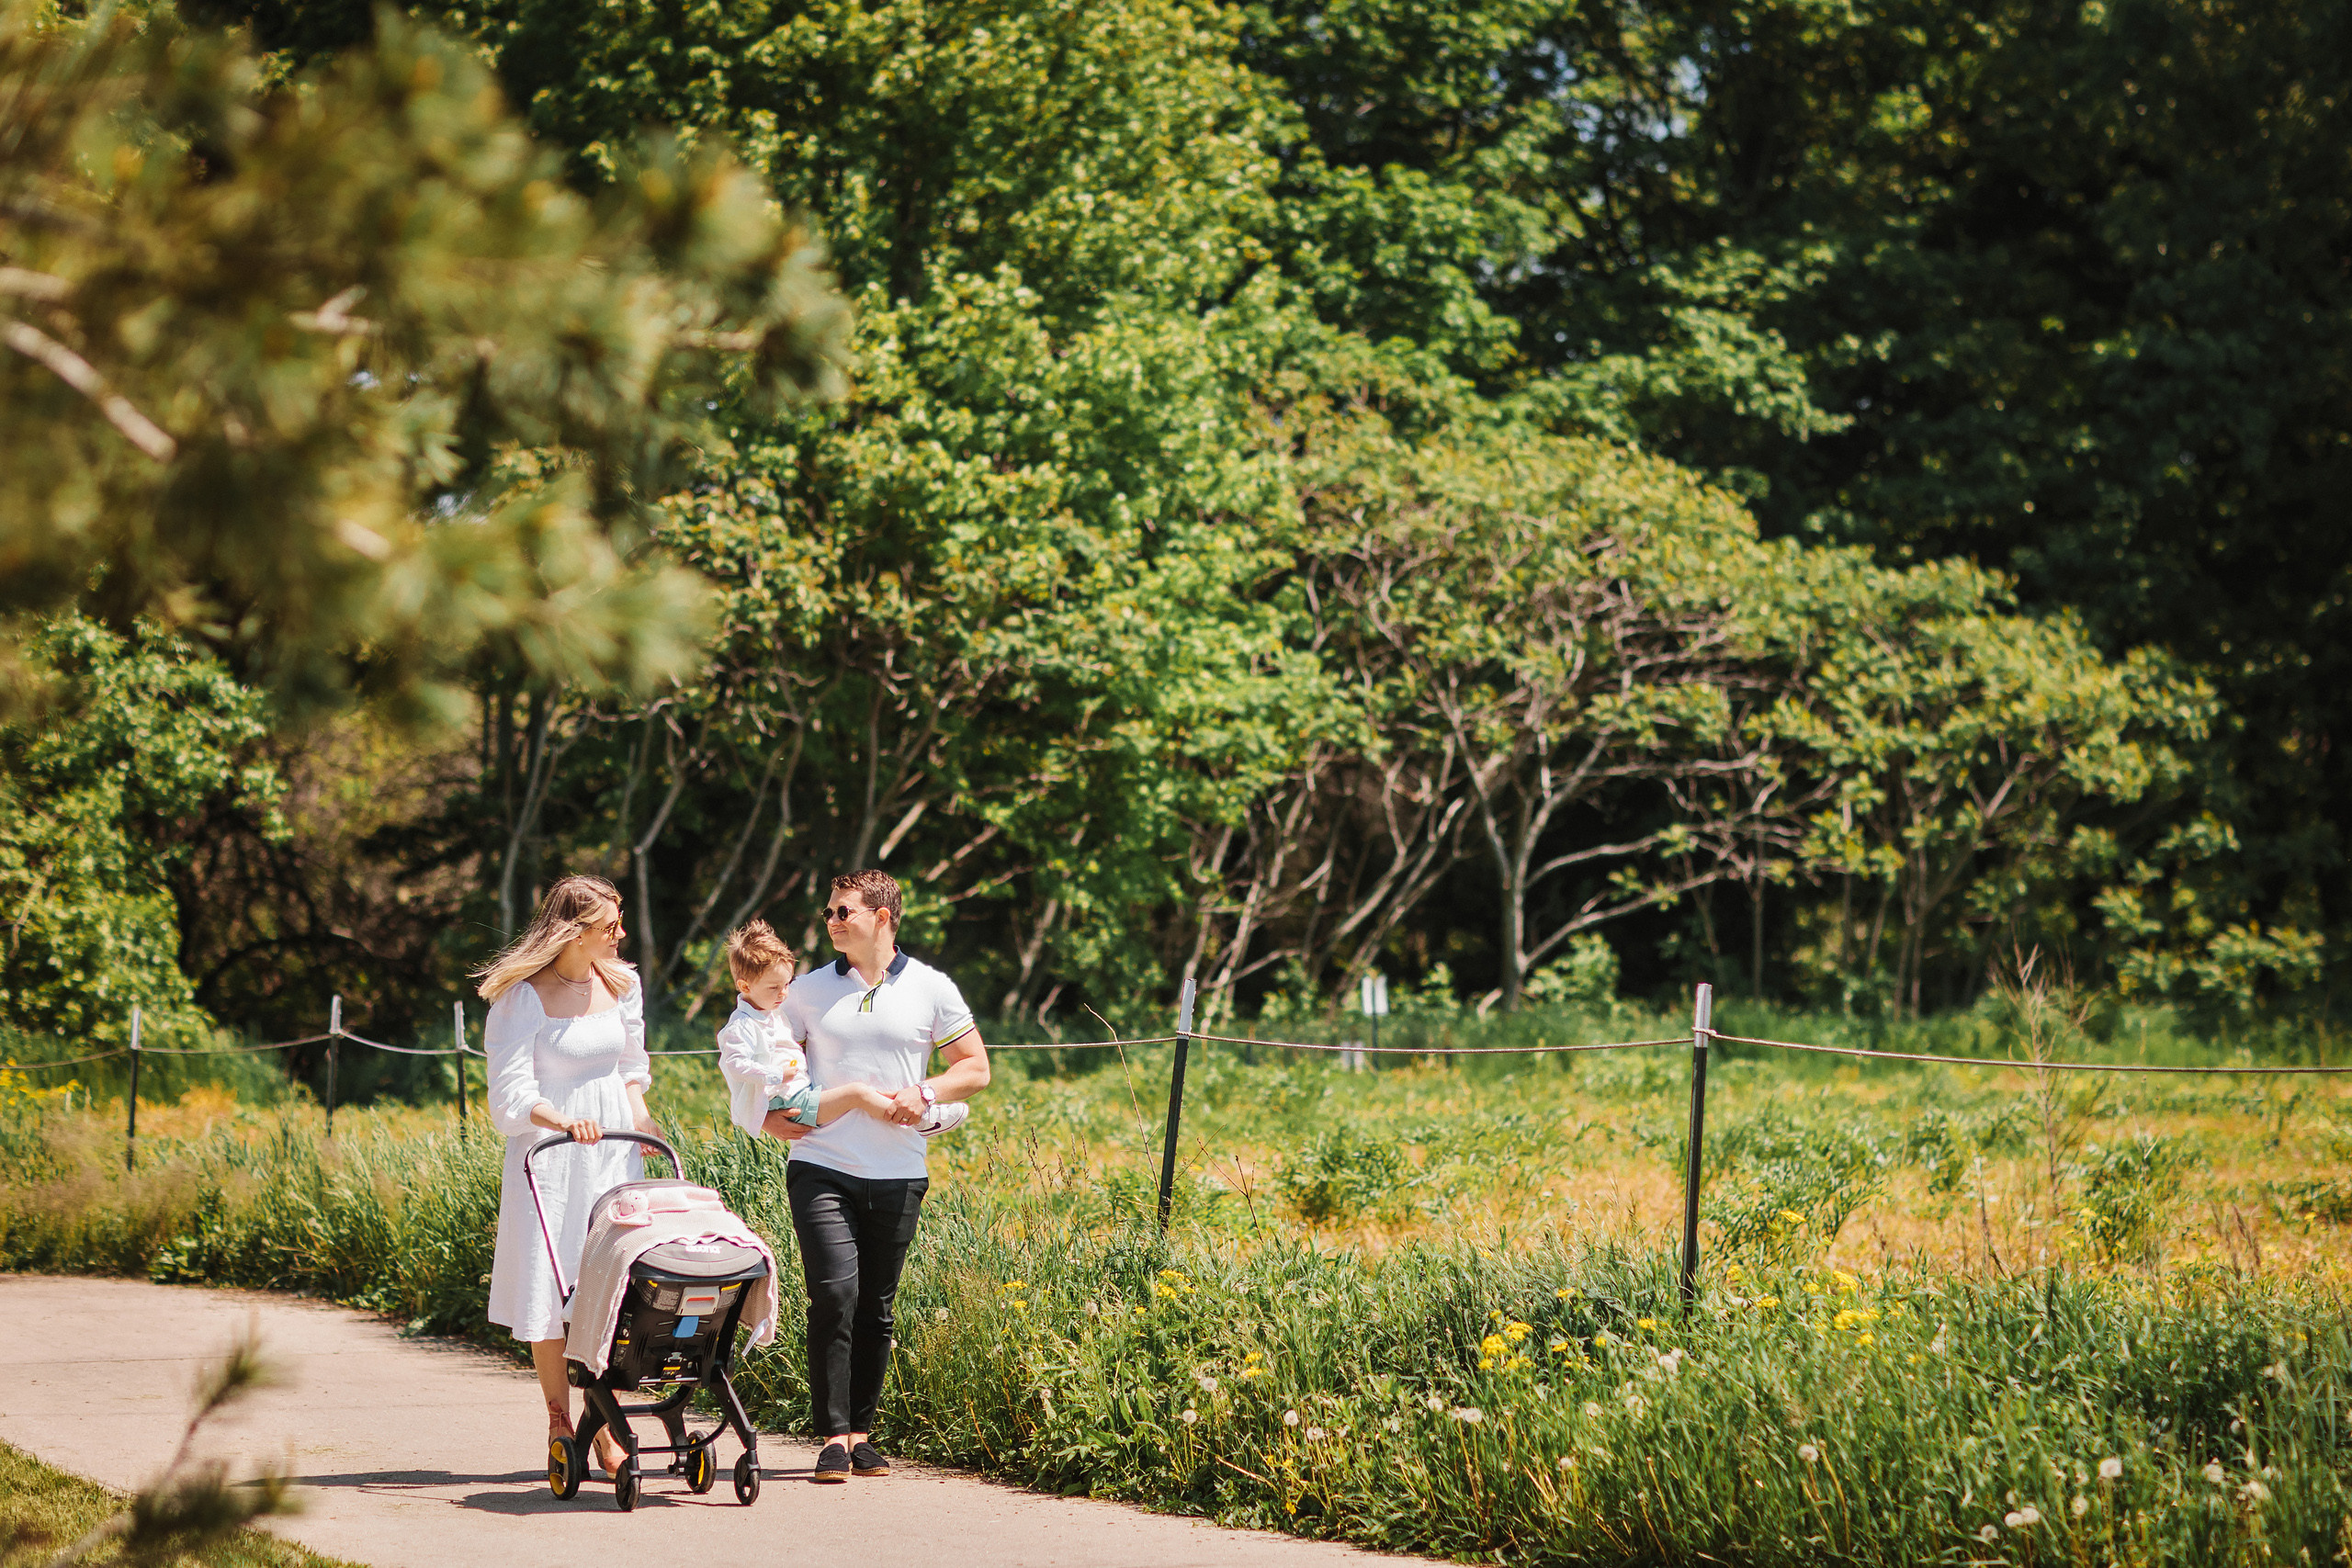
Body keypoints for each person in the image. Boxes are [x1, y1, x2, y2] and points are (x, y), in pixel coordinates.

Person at [766, 869, 988, 1483]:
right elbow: (771, 1068)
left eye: (844, 911)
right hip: (822, 1164)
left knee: (877, 1306)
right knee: (834, 1294)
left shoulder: (931, 987)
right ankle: (833, 1436)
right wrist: (766, 1114)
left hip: (898, 1169)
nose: (832, 920)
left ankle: (863, 1433)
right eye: (831, 911)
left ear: (883, 916)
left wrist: (925, 1090)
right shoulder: (806, 992)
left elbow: (975, 1067)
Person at [476, 874, 658, 1476]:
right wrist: (561, 1118)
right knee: (550, 1287)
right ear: (576, 931)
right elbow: (510, 1091)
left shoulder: (620, 982)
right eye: (611, 925)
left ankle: (601, 1421)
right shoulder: (522, 996)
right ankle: (559, 1416)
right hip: (551, 1154)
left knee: (611, 1285)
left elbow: (631, 1065)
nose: (621, 933)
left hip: (612, 1149)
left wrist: (644, 1118)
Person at [715, 918, 972, 1138]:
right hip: (793, 1102)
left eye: (786, 984)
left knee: (864, 1092)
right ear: (745, 987)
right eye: (775, 988)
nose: (784, 993)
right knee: (857, 1093)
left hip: (799, 1093)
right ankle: (920, 1120)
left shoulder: (770, 1008)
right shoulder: (742, 1026)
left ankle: (915, 1105)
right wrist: (774, 1082)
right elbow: (735, 1066)